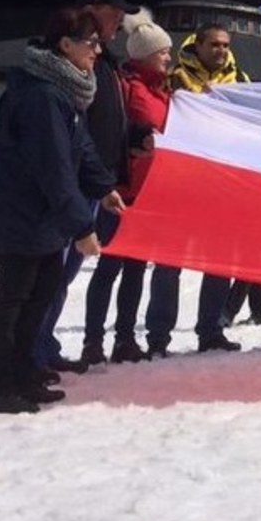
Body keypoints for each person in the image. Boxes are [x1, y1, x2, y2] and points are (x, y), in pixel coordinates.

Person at [0, 7, 125, 413]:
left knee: (39, 297)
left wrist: (104, 188)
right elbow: (54, 165)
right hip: (20, 212)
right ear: (65, 45)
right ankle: (0, 387)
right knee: (12, 299)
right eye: (90, 42)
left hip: (41, 217)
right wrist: (82, 225)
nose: (97, 49)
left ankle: (25, 375)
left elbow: (82, 148)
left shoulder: (65, 90)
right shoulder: (42, 95)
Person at [34, 0, 138, 376]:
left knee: (63, 274)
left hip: (91, 183)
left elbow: (100, 128)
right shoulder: (61, 76)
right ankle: (31, 350)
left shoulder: (106, 63)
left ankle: (42, 343)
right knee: (51, 272)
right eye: (115, 12)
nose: (120, 20)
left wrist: (135, 137)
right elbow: (71, 136)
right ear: (92, 10)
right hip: (69, 187)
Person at [143, 24, 247, 357]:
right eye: (214, 44)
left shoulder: (242, 83)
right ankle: (158, 335)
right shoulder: (174, 80)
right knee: (168, 263)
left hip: (222, 185)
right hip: (180, 184)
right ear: (198, 45)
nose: (221, 50)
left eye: (226, 45)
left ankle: (211, 330)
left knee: (219, 263)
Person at [80, 19, 172, 365]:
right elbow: (115, 127)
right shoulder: (125, 86)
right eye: (162, 51)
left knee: (134, 270)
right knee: (110, 267)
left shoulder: (164, 90)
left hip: (151, 193)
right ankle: (93, 341)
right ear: (145, 55)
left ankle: (125, 338)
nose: (167, 56)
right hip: (123, 189)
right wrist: (137, 141)